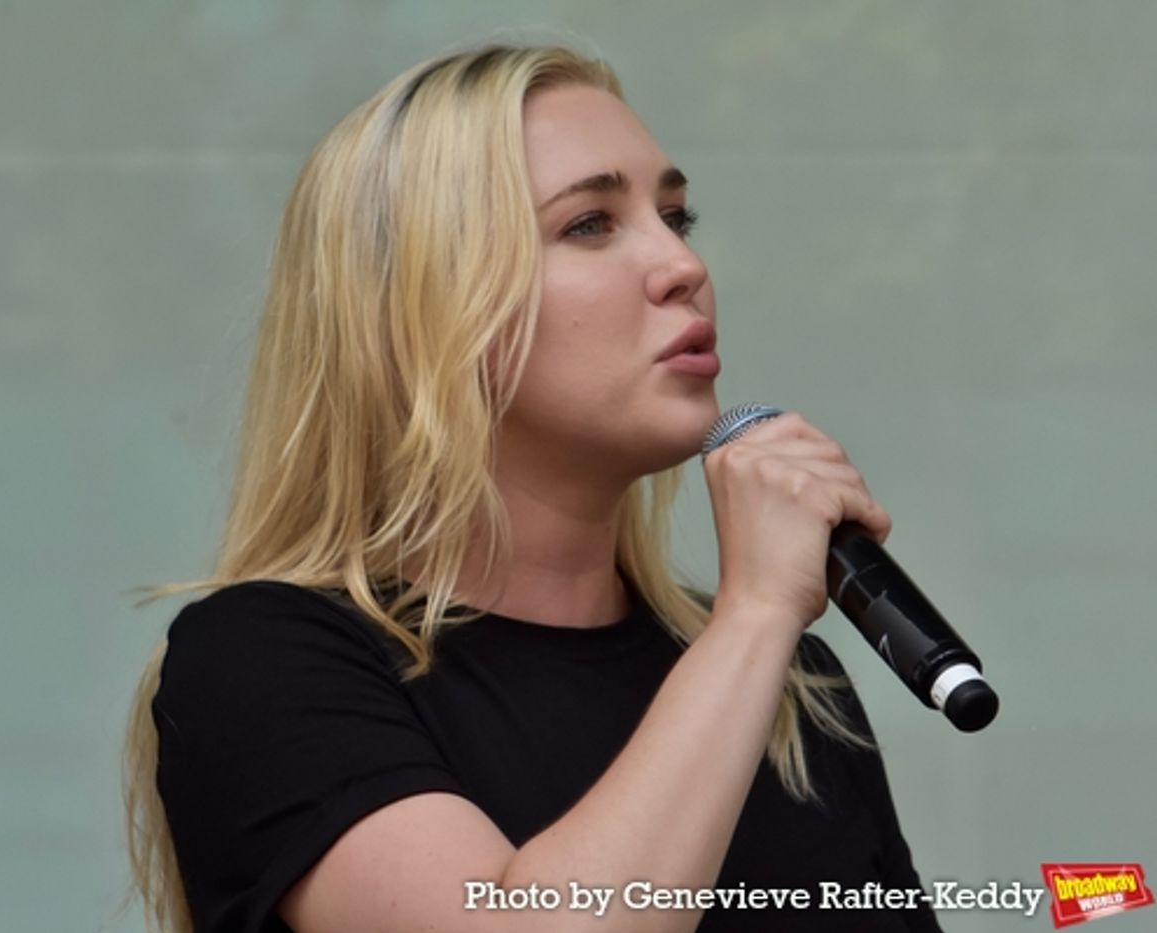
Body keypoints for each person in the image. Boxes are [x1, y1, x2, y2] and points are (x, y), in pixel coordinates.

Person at [123, 43, 943, 933]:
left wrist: (755, 634)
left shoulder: (786, 687)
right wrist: (754, 615)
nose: (681, 265)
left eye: (678, 216)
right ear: (419, 313)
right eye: (591, 223)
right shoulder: (263, 662)